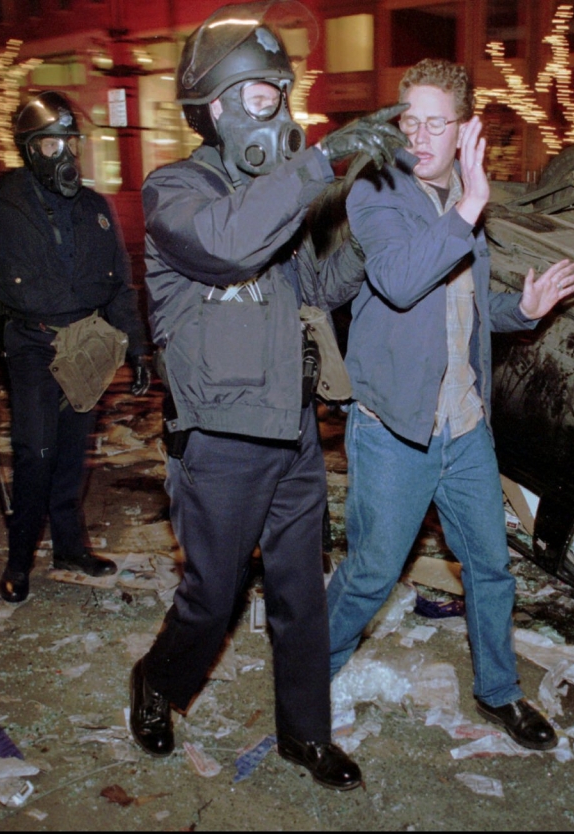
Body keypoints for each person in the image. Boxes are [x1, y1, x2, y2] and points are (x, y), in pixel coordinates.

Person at [127, 1, 408, 791]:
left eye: (283, 93)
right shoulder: (176, 191)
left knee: (300, 594)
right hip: (218, 438)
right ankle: (159, 681)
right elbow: (223, 246)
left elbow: (319, 284)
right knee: (212, 596)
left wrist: (368, 223)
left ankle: (304, 735)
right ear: (214, 106)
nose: (278, 111)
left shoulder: (277, 201)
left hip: (290, 429)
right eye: (261, 96)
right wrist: (315, 167)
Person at [327, 58, 574, 750]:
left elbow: (459, 308)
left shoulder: (462, 206)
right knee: (373, 572)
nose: (419, 134)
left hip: (465, 426)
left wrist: (522, 309)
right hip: (395, 431)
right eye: (410, 119)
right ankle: (308, 675)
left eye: (436, 122)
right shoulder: (375, 193)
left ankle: (500, 692)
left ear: (465, 130)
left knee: (492, 568)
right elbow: (404, 280)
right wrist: (471, 203)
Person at [0, 90, 151, 605]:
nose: (64, 155)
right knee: (35, 453)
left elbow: (118, 289)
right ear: (27, 149)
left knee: (71, 455)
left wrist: (137, 350)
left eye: (70, 142)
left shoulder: (95, 208)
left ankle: (69, 547)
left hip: (86, 344)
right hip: (32, 344)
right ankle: (19, 560)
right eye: (50, 144)